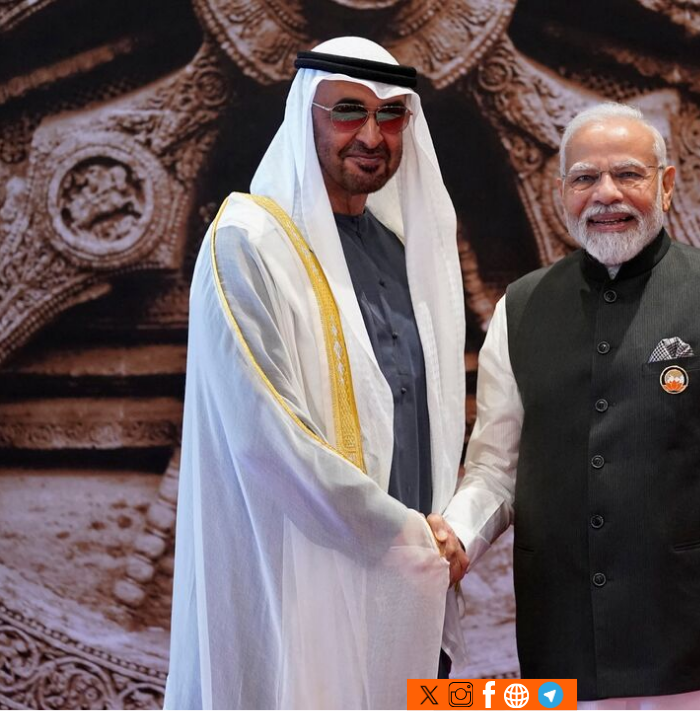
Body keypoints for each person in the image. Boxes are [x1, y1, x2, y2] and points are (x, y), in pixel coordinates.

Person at [437, 102, 700, 709]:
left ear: (666, 185)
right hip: (565, 663)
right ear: (561, 192)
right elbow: (497, 470)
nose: (606, 194)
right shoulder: (520, 310)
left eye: (628, 174)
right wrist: (458, 538)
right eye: (585, 178)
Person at [165, 36, 468, 709]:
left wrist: (434, 541)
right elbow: (264, 435)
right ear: (306, 116)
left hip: (410, 588)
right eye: (348, 111)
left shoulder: (405, 253)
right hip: (303, 582)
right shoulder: (249, 244)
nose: (372, 136)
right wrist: (402, 534)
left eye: (391, 115)